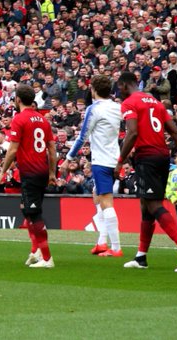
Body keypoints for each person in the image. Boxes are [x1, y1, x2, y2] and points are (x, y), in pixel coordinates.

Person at [115, 72, 177, 271]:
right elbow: (175, 132)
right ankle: (141, 257)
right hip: (162, 157)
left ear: (124, 85)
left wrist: (120, 160)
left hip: (147, 158)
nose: (119, 91)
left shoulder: (129, 103)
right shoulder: (155, 102)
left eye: (119, 87)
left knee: (153, 205)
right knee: (146, 206)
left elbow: (133, 132)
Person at [0, 84, 57, 268]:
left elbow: (13, 149)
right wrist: (52, 172)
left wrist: (3, 171)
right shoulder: (42, 120)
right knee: (27, 209)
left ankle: (47, 258)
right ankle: (35, 250)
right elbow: (52, 149)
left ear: (17, 99)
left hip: (31, 172)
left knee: (34, 213)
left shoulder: (19, 119)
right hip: (41, 170)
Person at [66, 74, 122, 257]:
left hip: (102, 161)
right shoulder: (117, 107)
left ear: (93, 90)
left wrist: (69, 158)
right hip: (114, 158)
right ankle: (101, 242)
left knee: (106, 202)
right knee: (97, 196)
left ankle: (115, 248)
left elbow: (82, 136)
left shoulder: (94, 108)